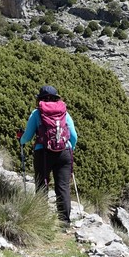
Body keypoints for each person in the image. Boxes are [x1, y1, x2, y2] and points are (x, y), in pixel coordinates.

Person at [19, 85, 78, 224]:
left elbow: (27, 136)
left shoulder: (36, 113)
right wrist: (70, 147)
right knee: (62, 187)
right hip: (64, 152)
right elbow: (73, 135)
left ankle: (41, 219)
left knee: (42, 185)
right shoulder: (64, 113)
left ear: (40, 99)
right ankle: (64, 222)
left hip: (43, 152)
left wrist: (21, 140)